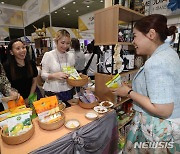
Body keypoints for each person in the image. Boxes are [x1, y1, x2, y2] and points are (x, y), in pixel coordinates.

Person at [111, 14, 180, 153]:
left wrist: (129, 93)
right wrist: (135, 87)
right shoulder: (169, 53)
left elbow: (163, 109)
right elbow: (164, 90)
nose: (133, 41)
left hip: (158, 129)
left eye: (135, 36)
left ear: (151, 34)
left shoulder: (157, 62)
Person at [41, 29, 75, 107]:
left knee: (69, 113)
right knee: (55, 115)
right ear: (56, 42)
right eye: (62, 43)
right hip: (53, 91)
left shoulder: (71, 56)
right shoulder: (48, 55)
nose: (65, 46)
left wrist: (76, 76)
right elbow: (43, 75)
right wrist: (54, 75)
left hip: (68, 90)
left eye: (68, 43)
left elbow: (72, 70)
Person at [3, 39, 38, 106]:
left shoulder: (31, 63)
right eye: (18, 49)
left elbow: (34, 81)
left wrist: (29, 97)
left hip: (32, 96)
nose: (22, 50)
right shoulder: (6, 67)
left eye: (23, 47)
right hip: (16, 100)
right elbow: (6, 86)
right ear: (11, 52)